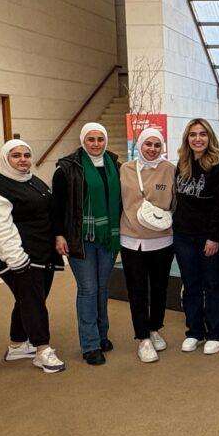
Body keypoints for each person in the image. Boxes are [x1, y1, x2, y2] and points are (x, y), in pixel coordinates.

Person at [0, 139, 67, 374]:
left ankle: (18, 344)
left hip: (42, 254)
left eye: (26, 155)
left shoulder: (32, 180)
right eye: (16, 155)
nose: (22, 160)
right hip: (20, 258)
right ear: (5, 159)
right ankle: (42, 350)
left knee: (28, 300)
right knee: (34, 302)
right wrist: (18, 261)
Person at [53, 122, 121, 366]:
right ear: (83, 140)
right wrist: (59, 234)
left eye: (100, 139)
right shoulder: (67, 168)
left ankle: (102, 336)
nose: (96, 144)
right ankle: (90, 345)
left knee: (102, 288)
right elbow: (57, 205)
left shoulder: (115, 165)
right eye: (91, 139)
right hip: (80, 239)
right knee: (88, 290)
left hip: (108, 238)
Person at [119, 128, 176, 363]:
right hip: (132, 240)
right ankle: (142, 337)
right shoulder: (125, 169)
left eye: (157, 144)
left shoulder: (170, 169)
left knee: (160, 288)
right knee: (137, 290)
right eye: (147, 144)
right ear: (140, 145)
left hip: (163, 240)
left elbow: (177, 202)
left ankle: (154, 328)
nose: (152, 149)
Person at [174, 118, 219, 355]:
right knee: (191, 285)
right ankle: (195, 331)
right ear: (187, 138)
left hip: (208, 237)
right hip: (183, 236)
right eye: (193, 134)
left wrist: (214, 236)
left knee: (213, 284)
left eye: (202, 134)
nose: (198, 139)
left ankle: (216, 333)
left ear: (210, 138)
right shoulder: (182, 164)